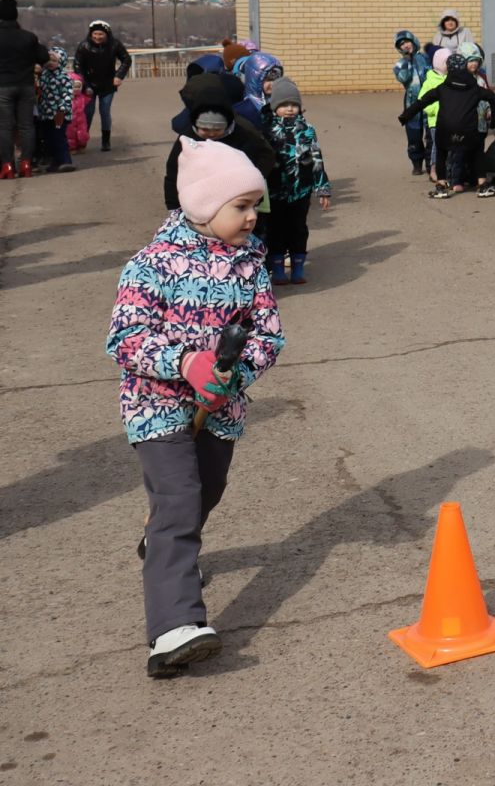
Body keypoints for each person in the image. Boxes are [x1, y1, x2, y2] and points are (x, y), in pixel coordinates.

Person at [109, 136, 284, 677]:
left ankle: (157, 538)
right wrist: (186, 363)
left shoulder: (250, 265)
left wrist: (235, 375)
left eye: (256, 205)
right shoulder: (152, 265)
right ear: (205, 206)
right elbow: (125, 338)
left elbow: (268, 335)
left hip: (220, 410)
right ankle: (173, 627)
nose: (252, 217)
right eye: (241, 206)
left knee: (206, 490)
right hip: (156, 406)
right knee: (180, 499)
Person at [163, 72, 279, 214]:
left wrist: (251, 182)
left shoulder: (243, 132)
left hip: (237, 197)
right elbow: (174, 172)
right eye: (204, 129)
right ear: (195, 124)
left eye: (218, 130)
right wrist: (174, 206)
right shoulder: (187, 137)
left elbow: (266, 156)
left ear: (228, 124)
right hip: (200, 198)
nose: (211, 134)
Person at [398, 43, 495, 198]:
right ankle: (482, 185)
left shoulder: (442, 88)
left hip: (445, 130)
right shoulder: (475, 89)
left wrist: (405, 116)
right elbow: (493, 98)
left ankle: (441, 185)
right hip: (469, 131)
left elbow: (422, 102)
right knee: (477, 152)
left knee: (441, 153)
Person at [262, 80, 330, 286]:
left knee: (298, 228)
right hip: (275, 191)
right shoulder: (267, 129)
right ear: (274, 107)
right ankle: (278, 268)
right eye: (284, 105)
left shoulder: (307, 129)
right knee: (275, 229)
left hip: (301, 189)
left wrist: (322, 188)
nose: (289, 109)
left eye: (294, 104)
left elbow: (316, 157)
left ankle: (298, 267)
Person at [0, 0, 46, 179]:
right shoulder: (28, 37)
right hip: (26, 85)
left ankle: (7, 165)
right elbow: (43, 57)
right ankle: (26, 163)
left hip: (2, 87)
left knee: (4, 128)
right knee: (27, 127)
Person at [74, 19, 131, 152]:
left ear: (107, 34)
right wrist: (83, 83)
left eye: (101, 34)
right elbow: (77, 65)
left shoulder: (115, 44)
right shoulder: (84, 46)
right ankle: (83, 140)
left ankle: (106, 141)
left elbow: (126, 59)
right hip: (89, 84)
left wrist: (119, 76)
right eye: (95, 34)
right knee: (87, 113)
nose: (97, 37)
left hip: (108, 84)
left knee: (105, 112)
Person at [390, 30, 431, 174]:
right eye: (401, 44)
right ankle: (416, 162)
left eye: (407, 42)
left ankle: (431, 163)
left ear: (413, 41)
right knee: (414, 134)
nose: (406, 46)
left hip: (429, 101)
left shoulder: (425, 58)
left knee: (431, 134)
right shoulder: (400, 64)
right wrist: (406, 60)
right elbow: (403, 78)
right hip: (412, 103)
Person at [33, 44, 75, 173]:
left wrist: (62, 109)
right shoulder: (44, 75)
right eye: (49, 60)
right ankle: (55, 163)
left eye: (54, 61)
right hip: (46, 114)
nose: (50, 63)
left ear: (61, 62)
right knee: (48, 139)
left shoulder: (64, 77)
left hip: (59, 114)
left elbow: (67, 95)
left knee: (59, 137)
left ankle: (66, 161)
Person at [410, 49, 450, 184]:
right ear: (439, 63)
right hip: (435, 121)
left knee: (448, 146)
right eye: (447, 62)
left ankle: (447, 170)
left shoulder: (450, 79)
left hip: (450, 120)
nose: (449, 65)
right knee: (436, 147)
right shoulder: (430, 81)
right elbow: (423, 102)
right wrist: (437, 109)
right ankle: (433, 170)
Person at [234, 53, 281, 130]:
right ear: (256, 79)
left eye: (276, 79)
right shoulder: (247, 107)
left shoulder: (280, 100)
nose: (273, 84)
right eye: (268, 80)